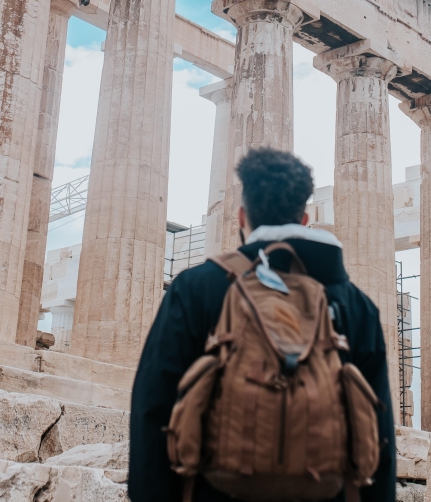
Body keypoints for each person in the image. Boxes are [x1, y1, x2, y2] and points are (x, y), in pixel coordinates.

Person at [129, 148, 396, 502]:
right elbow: (378, 429)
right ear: (305, 219)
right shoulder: (357, 306)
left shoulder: (197, 288)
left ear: (242, 217)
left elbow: (153, 407)